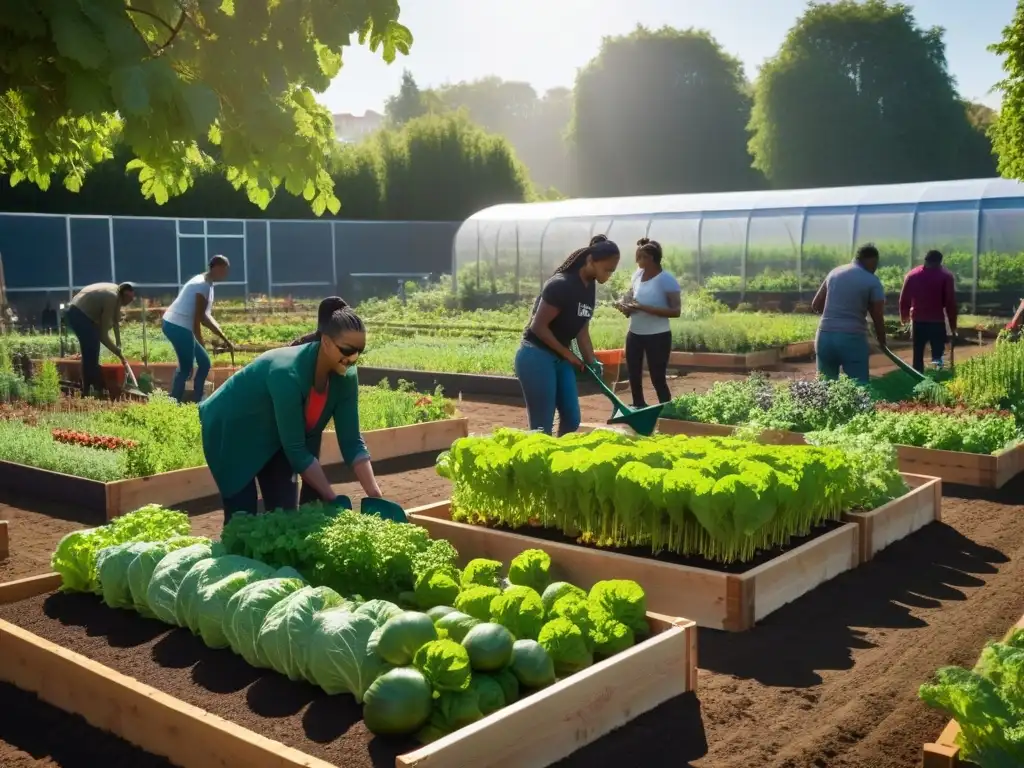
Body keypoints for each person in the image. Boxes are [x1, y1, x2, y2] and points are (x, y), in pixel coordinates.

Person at [199, 297, 382, 523]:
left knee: (284, 516)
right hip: (234, 428)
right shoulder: (287, 373)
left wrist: (375, 494)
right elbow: (296, 450)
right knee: (242, 517)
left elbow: (351, 440)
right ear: (325, 342)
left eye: (359, 351)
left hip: (278, 435)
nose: (353, 358)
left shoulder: (346, 374)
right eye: (347, 349)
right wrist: (330, 496)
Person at [515, 237, 621, 435]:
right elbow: (538, 327)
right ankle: (537, 463)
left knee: (572, 420)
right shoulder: (561, 285)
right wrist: (569, 355)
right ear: (591, 261)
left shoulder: (589, 287)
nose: (609, 275)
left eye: (612, 271)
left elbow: (582, 329)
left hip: (560, 357)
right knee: (541, 427)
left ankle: (560, 460)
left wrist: (592, 361)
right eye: (607, 270)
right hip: (536, 356)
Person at [616, 238, 681, 407]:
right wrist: (625, 306)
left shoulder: (666, 279)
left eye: (641, 257)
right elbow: (631, 296)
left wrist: (644, 308)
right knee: (634, 373)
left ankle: (667, 411)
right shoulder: (637, 275)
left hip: (658, 336)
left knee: (657, 377)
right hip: (635, 333)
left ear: (651, 258)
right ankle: (638, 405)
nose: (637, 261)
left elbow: (676, 311)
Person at [811, 244, 886, 384]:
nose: (875, 268)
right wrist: (882, 340)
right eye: (875, 264)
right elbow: (877, 315)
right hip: (851, 338)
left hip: (824, 336)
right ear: (872, 261)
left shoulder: (834, 273)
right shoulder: (872, 281)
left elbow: (816, 305)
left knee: (825, 386)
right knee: (858, 386)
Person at [161, 255, 233, 402]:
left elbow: (205, 317)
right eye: (224, 270)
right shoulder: (202, 285)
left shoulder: (208, 284)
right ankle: (175, 401)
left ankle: (198, 399)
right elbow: (197, 320)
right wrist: (201, 343)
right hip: (177, 325)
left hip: (178, 325)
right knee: (187, 368)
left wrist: (225, 338)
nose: (226, 274)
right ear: (216, 268)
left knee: (204, 363)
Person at [65, 282, 136, 396]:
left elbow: (116, 321)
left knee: (92, 348)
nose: (130, 302)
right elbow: (102, 336)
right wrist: (116, 351)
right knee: (91, 350)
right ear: (125, 295)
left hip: (81, 312)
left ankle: (92, 388)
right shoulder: (112, 297)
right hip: (78, 313)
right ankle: (90, 390)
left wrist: (119, 343)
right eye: (130, 299)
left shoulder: (117, 294)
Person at [899, 249, 957, 372]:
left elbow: (904, 298)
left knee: (918, 352)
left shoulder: (913, 275)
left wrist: (904, 315)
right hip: (936, 321)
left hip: (919, 320)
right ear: (939, 262)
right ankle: (936, 377)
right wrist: (953, 326)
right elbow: (950, 303)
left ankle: (918, 378)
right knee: (936, 352)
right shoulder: (945, 276)